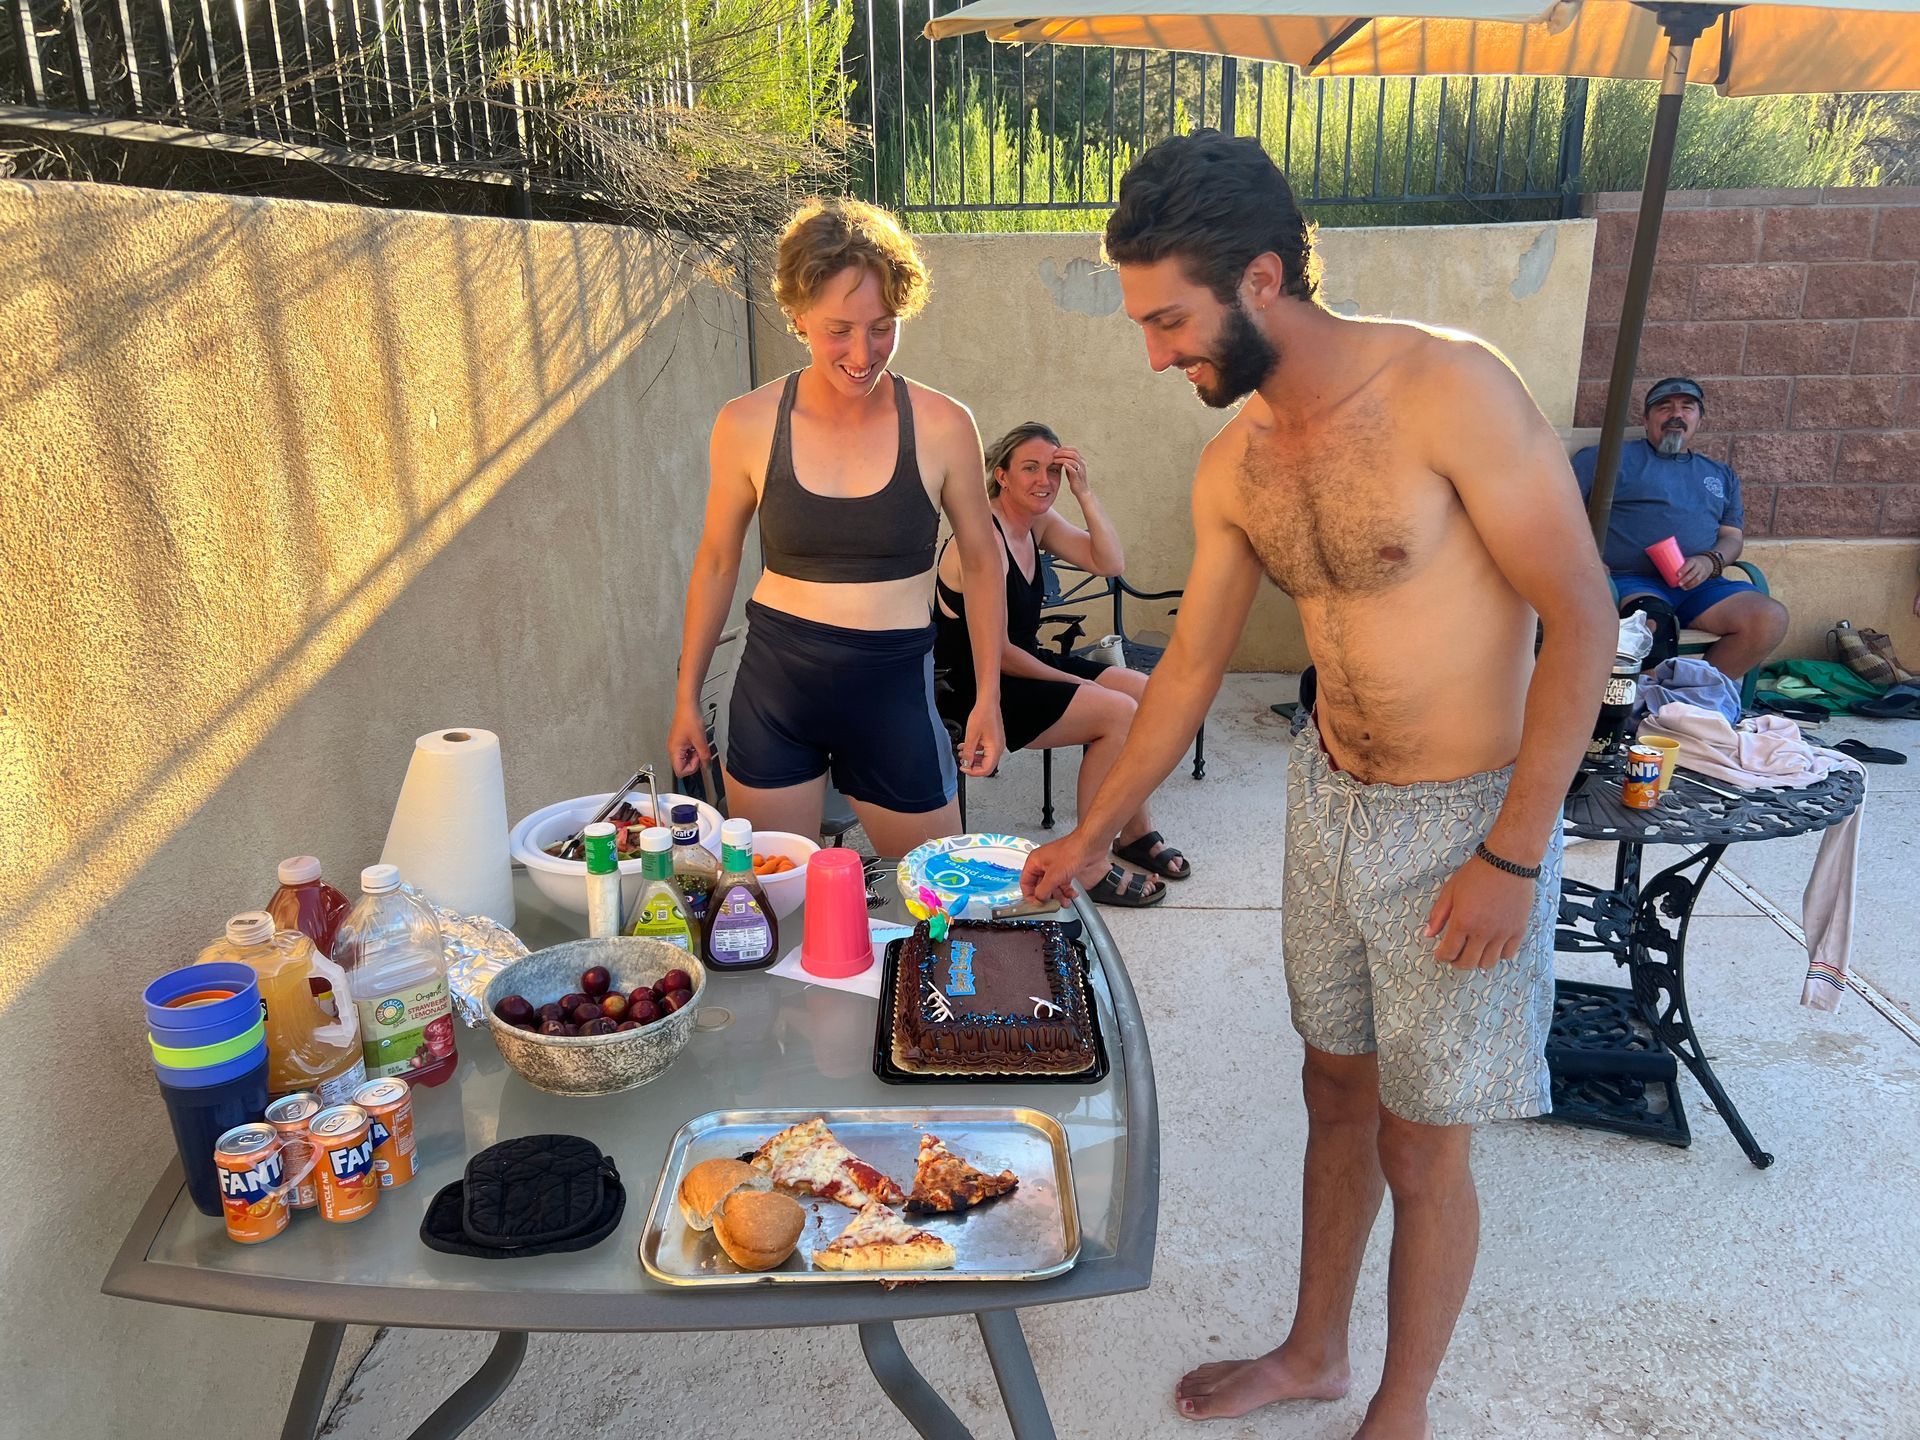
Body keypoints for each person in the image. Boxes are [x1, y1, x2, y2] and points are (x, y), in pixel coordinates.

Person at [1020, 133, 1617, 1438]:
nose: (1155, 355)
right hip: (1329, 801)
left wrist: (1516, 854)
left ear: (1263, 278)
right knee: (1333, 1092)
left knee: (1423, 1138)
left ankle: (1401, 1407)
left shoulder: (1452, 390)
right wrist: (1095, 830)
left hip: (1465, 825)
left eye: (1170, 320)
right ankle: (1314, 1350)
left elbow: (1584, 617)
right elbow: (1188, 668)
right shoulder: (1238, 462)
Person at [668, 198, 1007, 856]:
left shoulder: (943, 425)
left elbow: (982, 560)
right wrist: (686, 696)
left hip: (894, 689)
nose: (862, 352)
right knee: (776, 898)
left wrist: (988, 696)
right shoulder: (746, 423)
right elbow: (716, 562)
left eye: (882, 327)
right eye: (839, 329)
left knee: (939, 893)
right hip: (776, 690)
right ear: (798, 316)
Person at [932, 422, 1192, 907]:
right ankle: (1090, 863)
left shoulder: (1037, 524)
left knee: (1145, 693)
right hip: (976, 685)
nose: (1044, 481)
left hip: (1025, 662)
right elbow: (995, 649)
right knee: (1116, 712)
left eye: (1053, 471)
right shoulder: (983, 537)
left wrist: (1085, 493)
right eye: (1030, 468)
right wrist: (1076, 681)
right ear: (1001, 476)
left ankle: (1134, 832)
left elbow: (1109, 563)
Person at [1572, 377, 1789, 680]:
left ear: (1699, 420)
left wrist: (1710, 561)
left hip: (1699, 585)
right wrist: (1589, 559)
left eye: (1687, 408)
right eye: (1664, 407)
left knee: (1769, 618)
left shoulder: (1720, 475)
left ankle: (1686, 699)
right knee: (1654, 625)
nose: (1676, 414)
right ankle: (1650, 702)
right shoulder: (1606, 458)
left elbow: (1731, 537)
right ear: (1646, 419)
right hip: (1628, 581)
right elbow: (1560, 510)